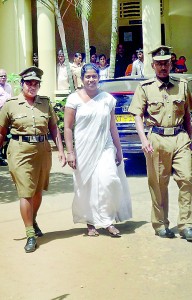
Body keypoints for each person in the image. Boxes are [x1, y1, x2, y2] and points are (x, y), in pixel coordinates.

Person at [128, 45, 192, 241]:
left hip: (180, 137)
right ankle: (161, 223)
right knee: (158, 183)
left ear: (171, 63)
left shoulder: (182, 85)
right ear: (153, 65)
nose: (163, 67)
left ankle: (186, 224)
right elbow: (137, 115)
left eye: (166, 63)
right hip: (156, 138)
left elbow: (188, 114)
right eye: (159, 64)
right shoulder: (145, 88)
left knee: (187, 179)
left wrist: (190, 138)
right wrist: (144, 139)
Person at [0, 66, 66, 253]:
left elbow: (54, 128)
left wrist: (60, 150)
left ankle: (32, 219)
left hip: (43, 150)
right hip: (20, 151)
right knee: (26, 193)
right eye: (29, 83)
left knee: (37, 191)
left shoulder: (45, 103)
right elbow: (2, 131)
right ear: (22, 84)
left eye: (36, 83)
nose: (32, 86)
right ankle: (30, 234)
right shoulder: (10, 104)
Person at [64, 63, 132, 237]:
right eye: (88, 76)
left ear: (99, 78)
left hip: (105, 146)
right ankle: (91, 222)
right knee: (87, 185)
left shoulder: (107, 99)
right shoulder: (74, 99)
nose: (91, 79)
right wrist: (70, 152)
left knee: (109, 180)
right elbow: (68, 127)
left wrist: (119, 150)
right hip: (83, 148)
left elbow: (113, 127)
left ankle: (107, 220)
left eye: (94, 76)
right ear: (82, 78)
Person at [0, 69, 13, 166]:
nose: (3, 78)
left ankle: (4, 154)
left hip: (8, 114)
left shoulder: (9, 86)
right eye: (1, 76)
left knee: (6, 135)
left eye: (5, 76)